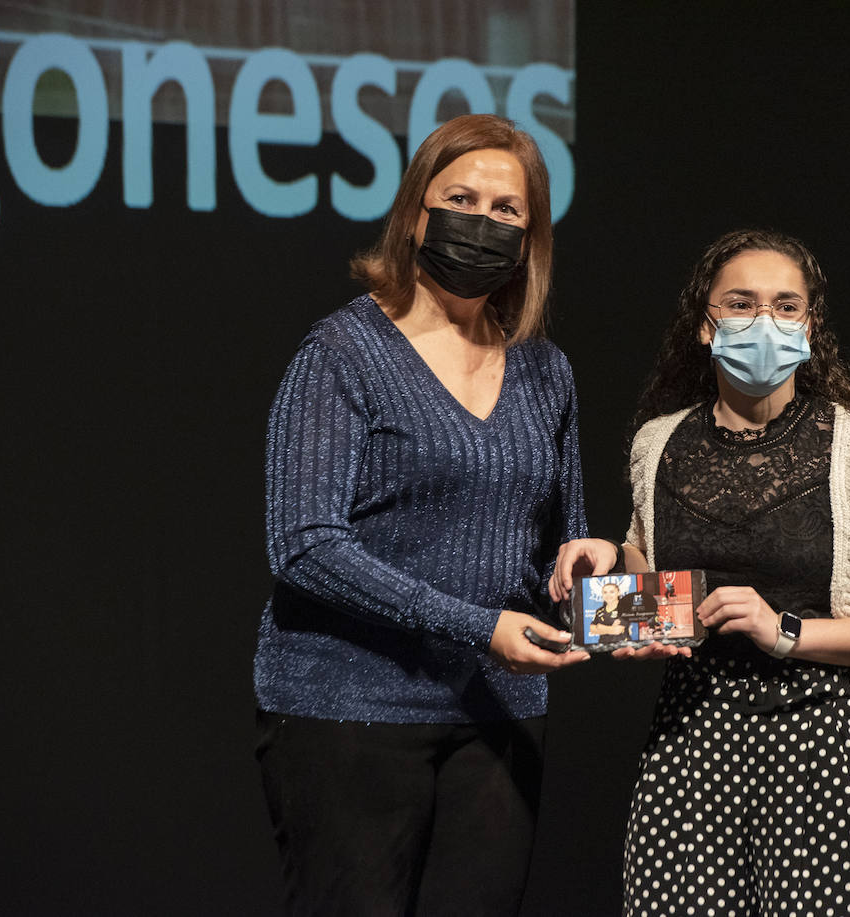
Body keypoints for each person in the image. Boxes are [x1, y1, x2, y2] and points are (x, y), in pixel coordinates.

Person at [550, 229, 850, 916]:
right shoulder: (658, 443)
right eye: (741, 303)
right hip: (690, 748)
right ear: (706, 325)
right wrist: (611, 575)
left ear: (810, 327)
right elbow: (660, 594)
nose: (764, 321)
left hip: (821, 746)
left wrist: (785, 629)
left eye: (786, 306)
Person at [254, 113, 589, 916]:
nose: (484, 221)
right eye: (462, 197)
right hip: (349, 708)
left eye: (507, 210)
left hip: (498, 717)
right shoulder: (343, 352)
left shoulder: (547, 373)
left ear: (531, 235)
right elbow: (303, 545)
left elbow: (559, 543)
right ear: (415, 215)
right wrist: (479, 625)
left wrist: (588, 566)